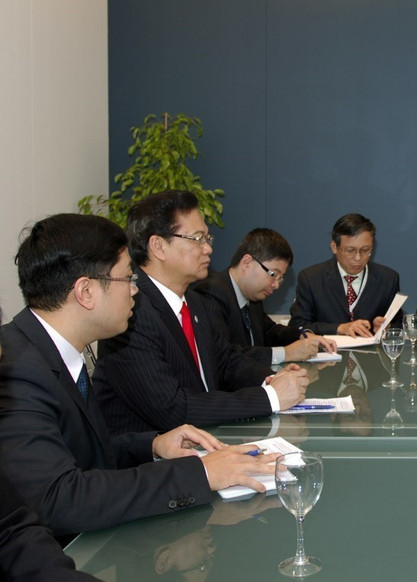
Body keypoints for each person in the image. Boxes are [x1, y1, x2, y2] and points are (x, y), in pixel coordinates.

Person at [0, 214, 280, 539]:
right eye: (127, 279)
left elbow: (81, 454)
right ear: (86, 292)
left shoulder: (50, 351)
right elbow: (59, 499)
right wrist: (199, 474)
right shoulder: (16, 370)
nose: (135, 292)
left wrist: (153, 445)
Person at [95, 191, 309, 434]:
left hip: (207, 440)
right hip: (152, 462)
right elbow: (172, 409)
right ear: (159, 246)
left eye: (208, 239)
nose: (208, 249)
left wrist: (270, 378)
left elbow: (226, 360)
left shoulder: (195, 302)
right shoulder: (130, 311)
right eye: (197, 239)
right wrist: (270, 397)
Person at [191, 228, 336, 365]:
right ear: (247, 262)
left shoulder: (252, 296)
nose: (276, 285)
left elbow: (269, 331)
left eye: (280, 278)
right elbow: (225, 355)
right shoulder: (211, 293)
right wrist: (286, 353)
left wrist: (303, 336)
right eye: (273, 274)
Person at [289, 213, 400, 337]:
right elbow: (297, 325)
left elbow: (398, 323)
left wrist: (385, 327)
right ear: (334, 247)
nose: (358, 258)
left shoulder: (388, 278)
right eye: (350, 250)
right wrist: (339, 328)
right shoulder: (311, 278)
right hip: (327, 353)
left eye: (365, 250)